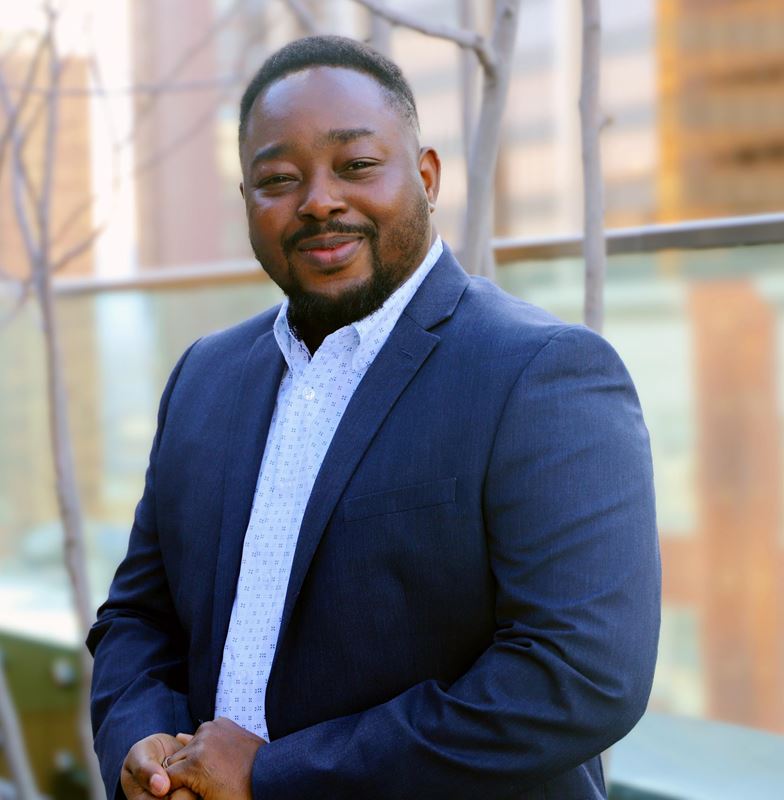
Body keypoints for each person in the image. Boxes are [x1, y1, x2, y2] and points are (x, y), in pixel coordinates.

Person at [88, 35, 660, 800]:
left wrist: (275, 778)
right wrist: (144, 747)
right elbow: (138, 617)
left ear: (426, 177)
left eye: (356, 165)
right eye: (279, 179)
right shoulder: (204, 377)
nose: (319, 200)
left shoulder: (542, 374)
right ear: (248, 201)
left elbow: (579, 676)